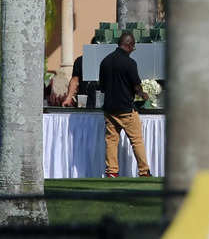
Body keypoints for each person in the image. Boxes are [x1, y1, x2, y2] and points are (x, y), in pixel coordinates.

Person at [99, 31, 151, 178]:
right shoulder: (130, 63)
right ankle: (144, 171)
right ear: (129, 45)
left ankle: (112, 172)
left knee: (111, 141)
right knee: (137, 141)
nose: (133, 50)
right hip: (127, 109)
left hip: (110, 110)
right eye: (133, 47)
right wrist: (143, 94)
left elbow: (102, 87)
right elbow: (136, 86)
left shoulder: (105, 61)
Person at [62, 37, 98, 108]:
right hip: (84, 99)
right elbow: (74, 80)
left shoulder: (108, 62)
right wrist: (69, 98)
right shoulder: (80, 60)